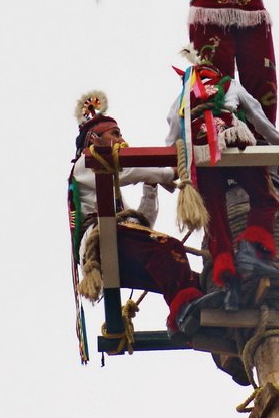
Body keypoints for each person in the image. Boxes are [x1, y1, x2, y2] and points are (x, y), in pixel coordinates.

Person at [68, 91, 222, 338]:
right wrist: (167, 172)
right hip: (102, 242)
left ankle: (195, 326)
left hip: (118, 244)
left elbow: (143, 223)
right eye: (115, 134)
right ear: (94, 138)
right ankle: (182, 313)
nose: (121, 139)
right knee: (168, 250)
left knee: (186, 278)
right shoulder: (87, 163)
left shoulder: (109, 193)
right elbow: (128, 171)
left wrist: (151, 186)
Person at [166, 45, 279, 299]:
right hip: (232, 142)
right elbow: (258, 116)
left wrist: (171, 169)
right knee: (265, 198)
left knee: (216, 218)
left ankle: (228, 279)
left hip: (201, 153)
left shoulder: (183, 95)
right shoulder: (229, 83)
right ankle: (250, 249)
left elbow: (174, 130)